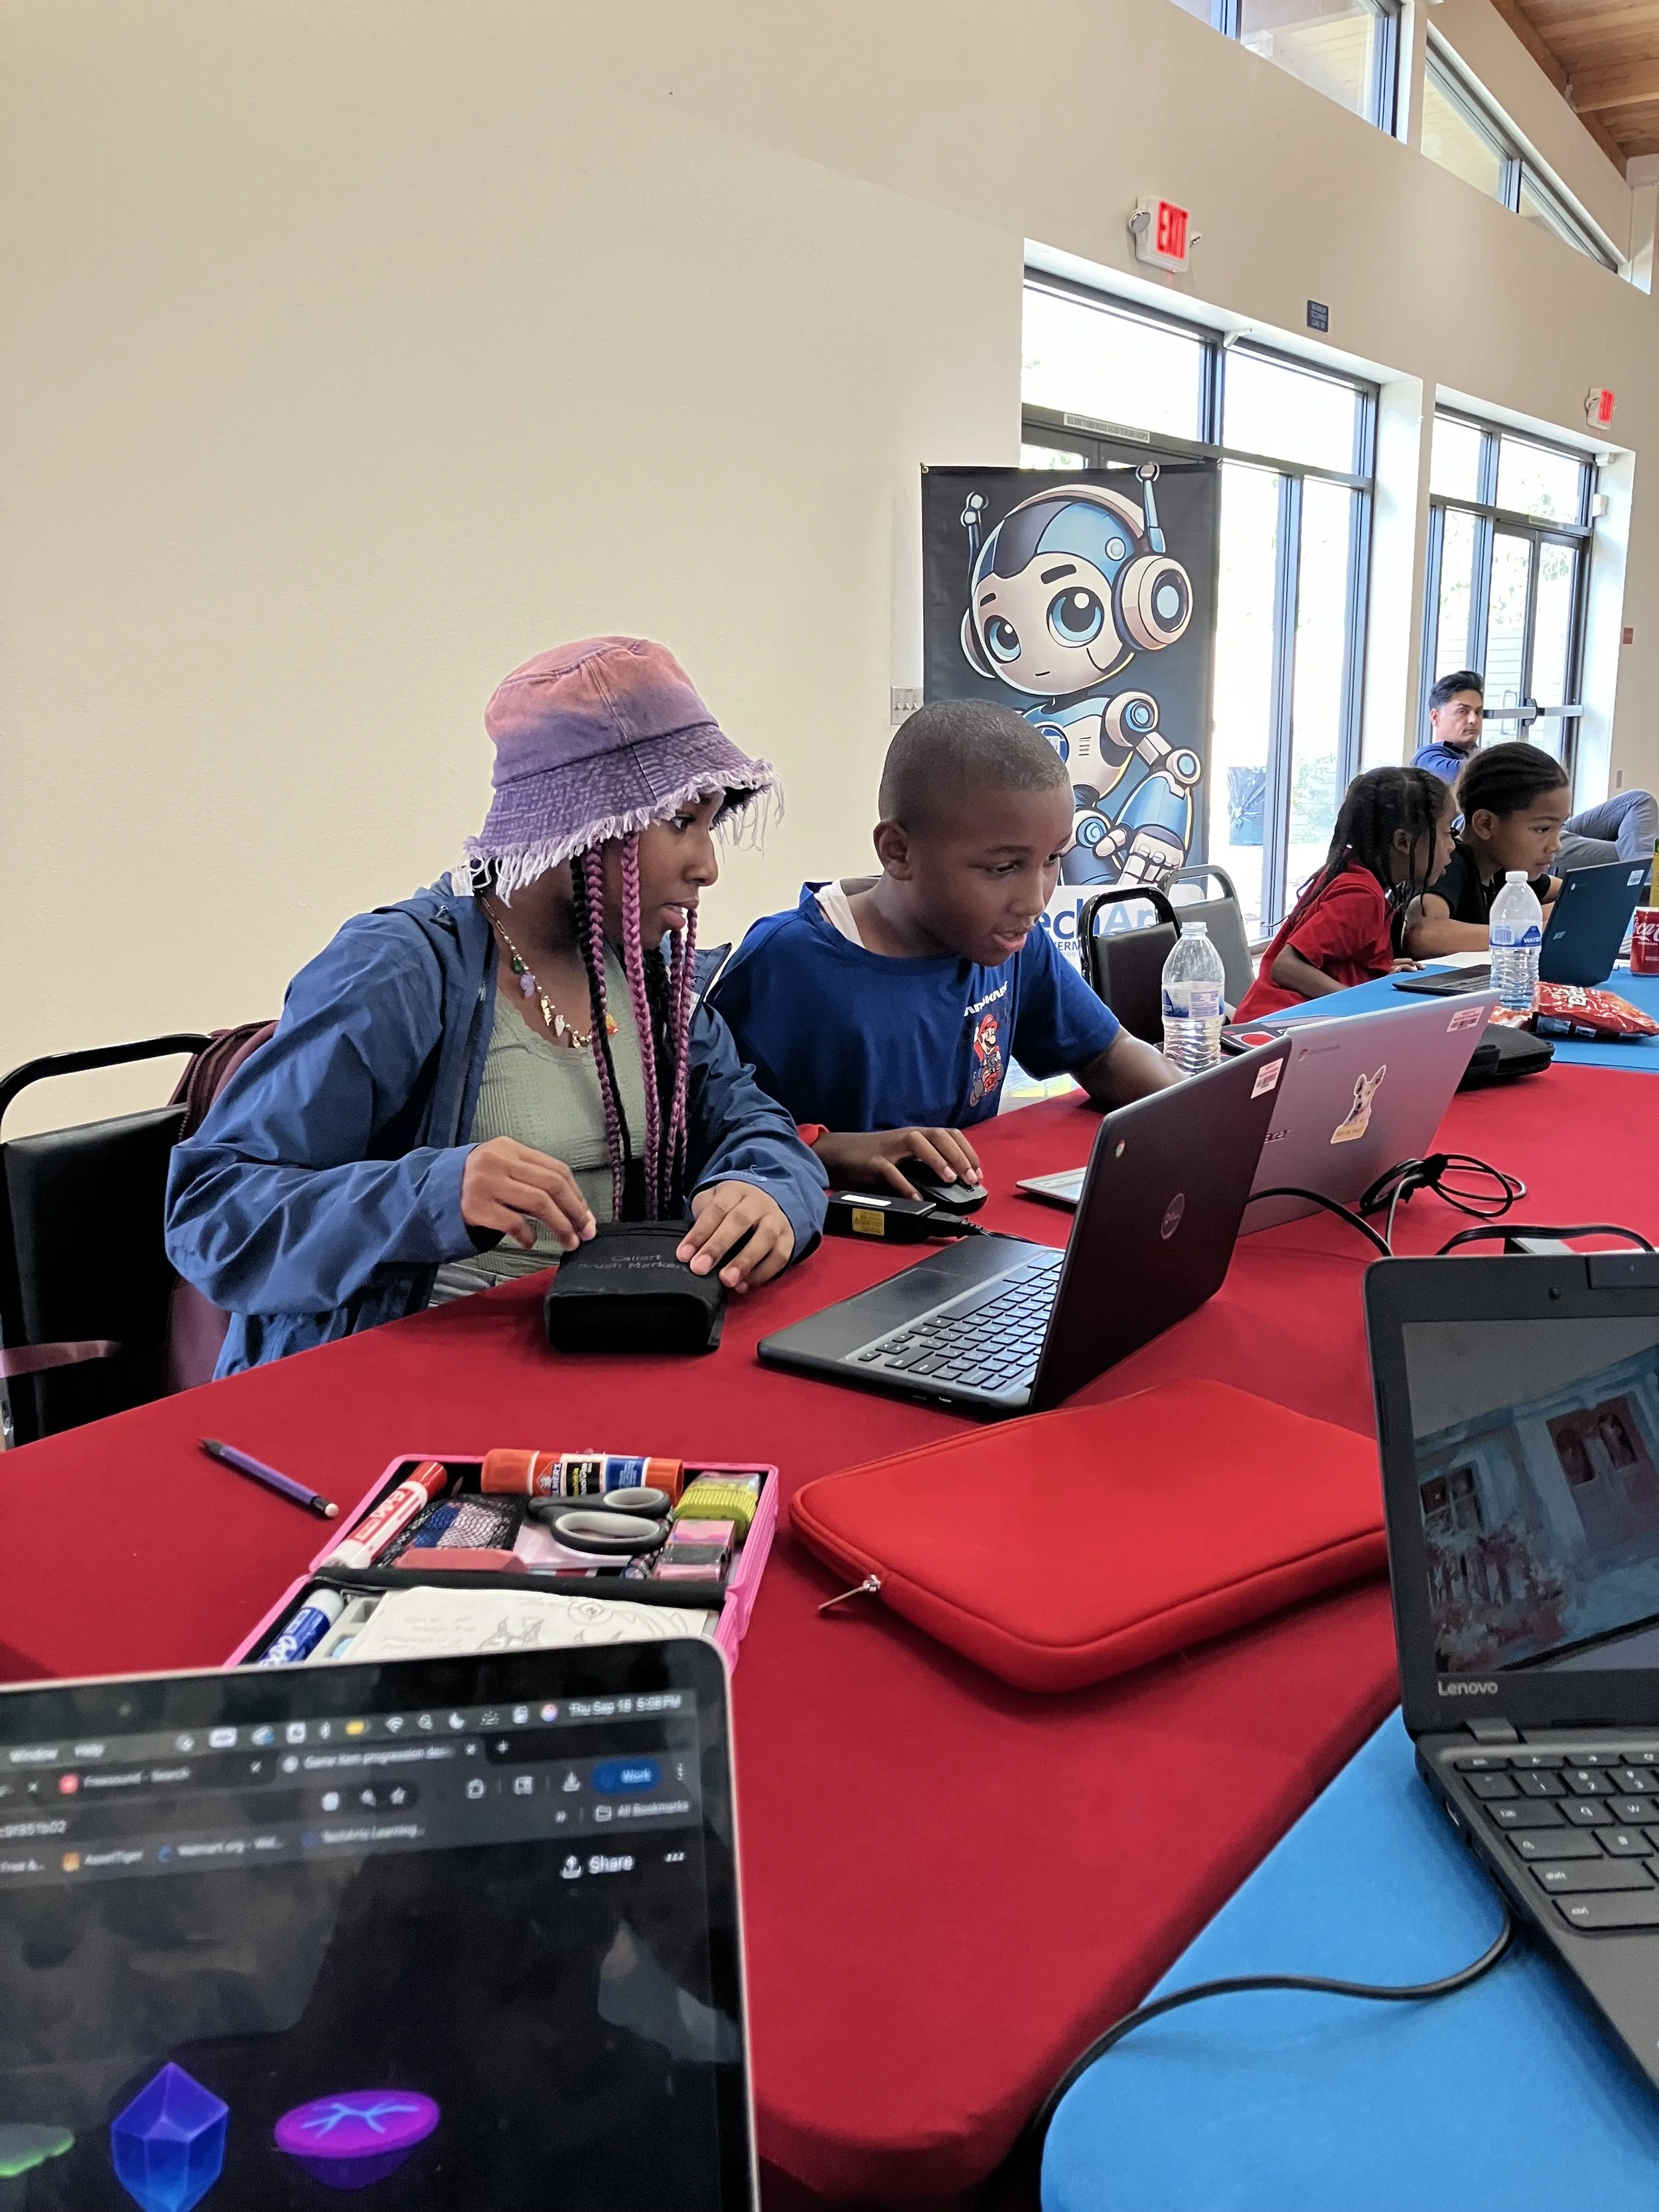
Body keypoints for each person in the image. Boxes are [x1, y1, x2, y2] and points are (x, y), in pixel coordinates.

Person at [165, 636, 828, 1373]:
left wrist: (765, 1188)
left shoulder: (647, 970)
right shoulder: (398, 971)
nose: (707, 865)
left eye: (711, 823)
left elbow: (750, 1119)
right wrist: (434, 1192)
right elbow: (213, 1214)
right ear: (587, 821)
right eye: (681, 822)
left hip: (605, 1352)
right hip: (400, 1384)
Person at [706, 700, 1180, 1198]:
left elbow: (1106, 1051)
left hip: (963, 1233)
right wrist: (837, 1151)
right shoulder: (786, 966)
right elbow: (711, 1139)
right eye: (1003, 868)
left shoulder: (1012, 943)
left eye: (1053, 859)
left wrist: (1200, 1115)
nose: (1036, 899)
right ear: (898, 852)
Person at [1236, 767, 1455, 1021]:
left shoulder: (1355, 874)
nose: (1452, 846)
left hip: (1287, 1024)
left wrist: (1371, 975)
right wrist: (1359, 1005)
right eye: (1447, 833)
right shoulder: (1361, 896)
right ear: (1403, 842)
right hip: (1274, 1029)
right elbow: (1286, 967)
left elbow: (1333, 961)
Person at [1415, 669, 1657, 871]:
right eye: (1463, 711)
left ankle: (1644, 882)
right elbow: (1479, 776)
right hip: (1520, 835)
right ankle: (1647, 889)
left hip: (1551, 826)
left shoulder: (1476, 753)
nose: (1473, 720)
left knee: (1638, 803)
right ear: (1435, 717)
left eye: (1478, 712)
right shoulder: (1429, 759)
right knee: (1630, 851)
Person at [1404, 742, 1569, 958]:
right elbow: (1424, 935)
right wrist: (1528, 931)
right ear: (1486, 824)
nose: (1556, 845)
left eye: (1560, 827)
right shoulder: (1449, 861)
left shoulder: (1504, 867)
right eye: (1542, 829)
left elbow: (1570, 892)